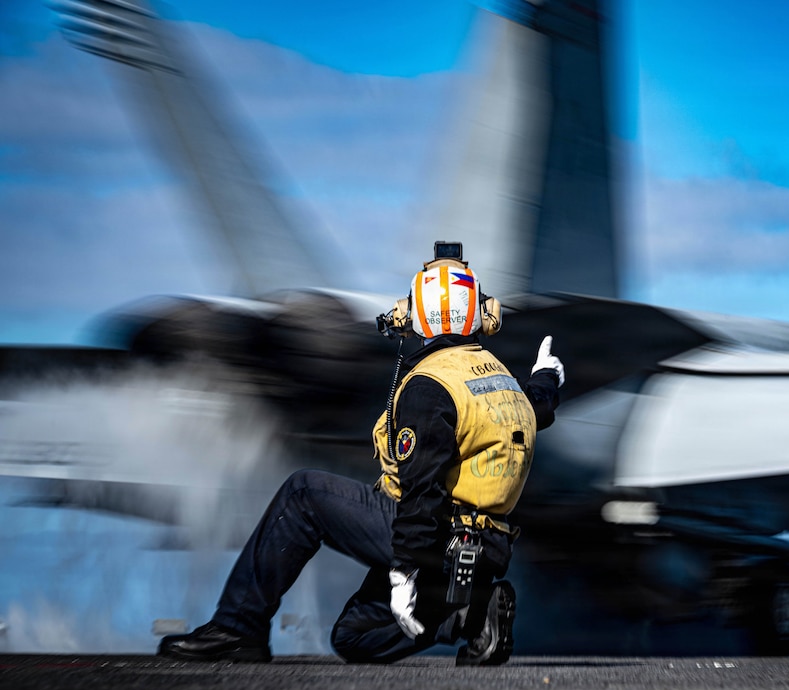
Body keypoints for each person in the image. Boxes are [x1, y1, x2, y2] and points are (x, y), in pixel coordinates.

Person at [158, 244, 563, 665]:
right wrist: (545, 378)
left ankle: (237, 628)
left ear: (415, 315)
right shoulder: (502, 380)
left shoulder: (431, 385)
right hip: (487, 548)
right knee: (352, 637)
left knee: (302, 493)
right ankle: (469, 618)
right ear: (484, 314)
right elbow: (536, 410)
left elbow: (422, 492)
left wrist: (406, 568)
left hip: (434, 537)